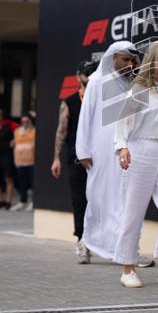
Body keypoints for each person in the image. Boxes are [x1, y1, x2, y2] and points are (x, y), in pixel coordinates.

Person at [113, 41, 158, 289]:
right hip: (140, 152)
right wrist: (122, 147)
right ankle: (128, 268)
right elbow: (122, 122)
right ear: (152, 62)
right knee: (133, 213)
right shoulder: (140, 90)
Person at [76, 40, 155, 267]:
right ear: (113, 58)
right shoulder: (96, 82)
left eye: (133, 60)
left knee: (130, 201)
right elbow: (86, 118)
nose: (130, 63)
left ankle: (130, 250)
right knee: (98, 199)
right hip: (99, 154)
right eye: (125, 59)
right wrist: (82, 150)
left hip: (129, 152)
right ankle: (87, 242)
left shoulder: (137, 85)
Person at [52, 59, 99, 262]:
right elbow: (61, 131)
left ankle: (108, 243)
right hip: (76, 159)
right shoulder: (70, 102)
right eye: (87, 73)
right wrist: (56, 159)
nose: (90, 76)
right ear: (78, 76)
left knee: (101, 202)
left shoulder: (102, 100)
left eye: (94, 72)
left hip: (101, 160)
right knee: (80, 201)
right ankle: (82, 242)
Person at [11, 114, 36, 211]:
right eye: (23, 121)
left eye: (27, 121)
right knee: (22, 183)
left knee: (32, 183)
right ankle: (22, 201)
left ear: (30, 121)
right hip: (20, 161)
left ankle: (33, 202)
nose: (25, 123)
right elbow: (15, 146)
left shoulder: (34, 131)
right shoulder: (17, 132)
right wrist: (15, 160)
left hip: (31, 161)